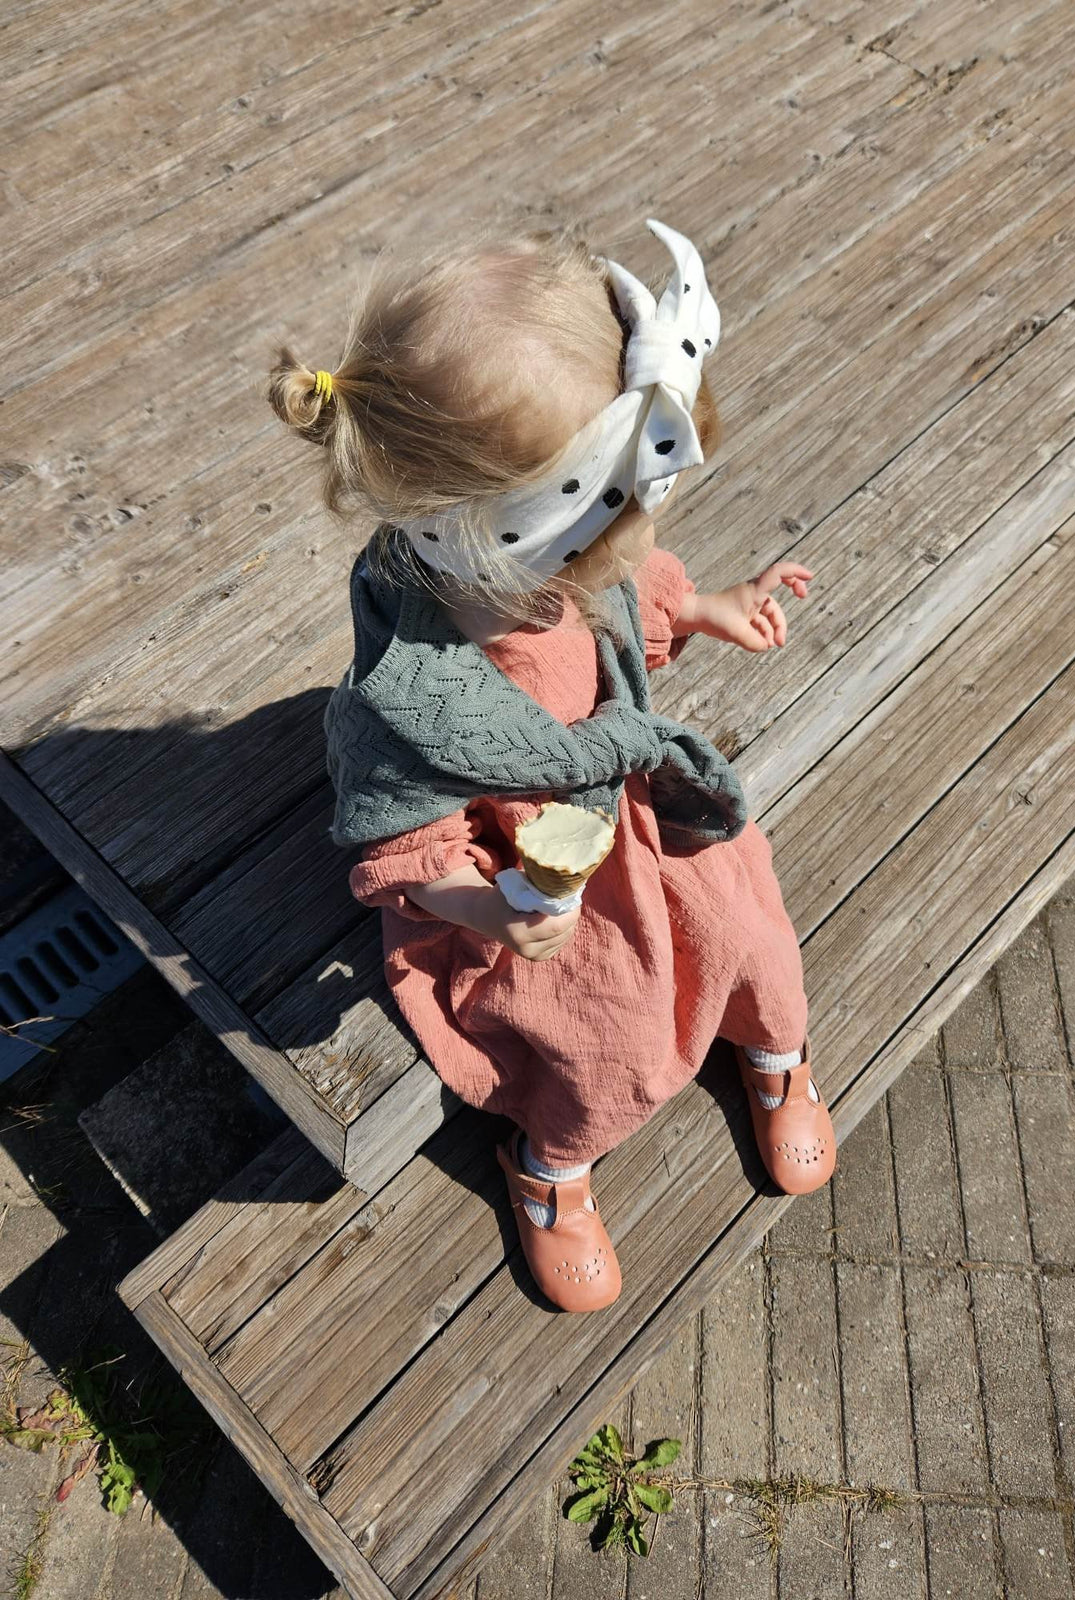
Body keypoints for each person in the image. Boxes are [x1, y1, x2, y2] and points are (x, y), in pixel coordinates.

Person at [268, 217, 836, 1314]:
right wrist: (488, 909)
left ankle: (776, 1049)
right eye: (589, 552)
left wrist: (705, 607)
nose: (609, 572)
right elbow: (404, 840)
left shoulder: (560, 555)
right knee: (596, 1036)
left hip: (641, 816)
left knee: (754, 935)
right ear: (474, 532)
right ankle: (552, 1166)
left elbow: (629, 580)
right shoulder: (413, 694)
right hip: (524, 875)